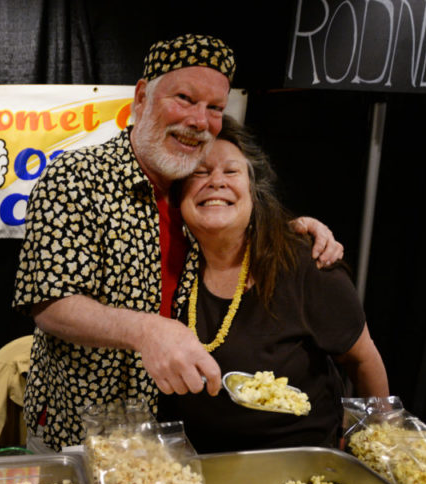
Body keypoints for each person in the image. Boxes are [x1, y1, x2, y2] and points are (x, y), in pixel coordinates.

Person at [13, 34, 343, 451]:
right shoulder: (76, 177)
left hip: (173, 437)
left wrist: (295, 228)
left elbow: (240, 218)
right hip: (79, 430)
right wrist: (145, 330)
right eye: (184, 98)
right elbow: (49, 304)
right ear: (141, 97)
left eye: (215, 109)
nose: (199, 121)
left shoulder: (194, 186)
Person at [159, 116, 388, 452]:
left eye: (231, 171)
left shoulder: (306, 264)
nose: (216, 182)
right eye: (200, 172)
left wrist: (376, 445)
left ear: (254, 193)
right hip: (196, 467)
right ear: (179, 196)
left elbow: (363, 360)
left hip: (298, 472)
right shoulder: (166, 265)